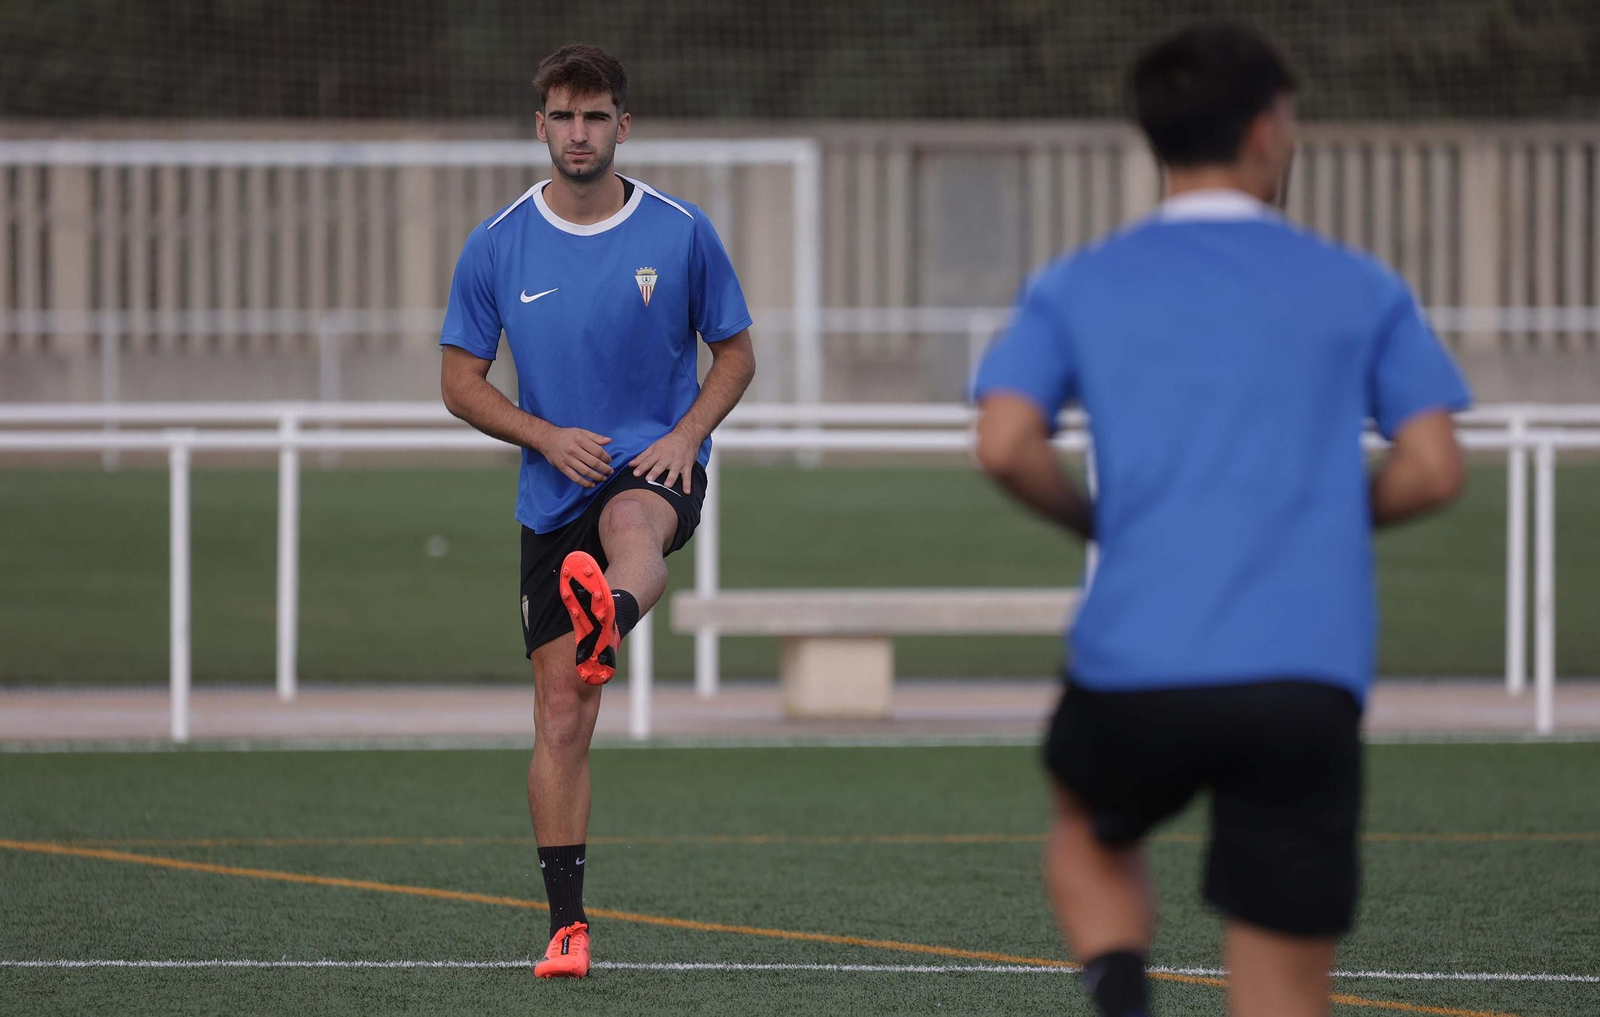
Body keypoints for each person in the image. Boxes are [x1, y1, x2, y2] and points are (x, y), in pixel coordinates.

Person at [972, 21, 1469, 1017]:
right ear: (1262, 129)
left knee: (1086, 826)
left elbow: (1004, 444)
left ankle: (1119, 987)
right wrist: (1320, 514)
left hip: (1134, 662)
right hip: (1302, 675)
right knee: (1284, 986)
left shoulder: (1079, 279)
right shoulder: (1358, 283)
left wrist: (1097, 523)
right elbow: (1431, 470)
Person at [438, 43, 756, 979]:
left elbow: (734, 353)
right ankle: (567, 927)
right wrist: (542, 436)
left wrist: (687, 434)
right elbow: (460, 381)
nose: (580, 133)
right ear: (540, 125)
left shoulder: (680, 230)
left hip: (651, 464)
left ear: (625, 123)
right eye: (563, 116)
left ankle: (606, 615)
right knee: (562, 713)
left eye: (596, 115)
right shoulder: (496, 243)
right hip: (550, 489)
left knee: (632, 528)